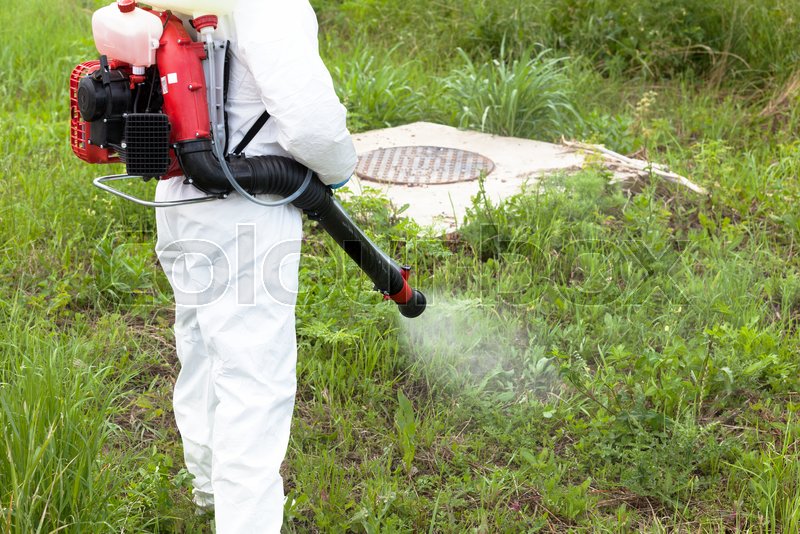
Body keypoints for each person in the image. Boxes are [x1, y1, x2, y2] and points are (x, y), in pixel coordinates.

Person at [153, 1, 357, 532]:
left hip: (177, 199)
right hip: (243, 209)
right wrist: (339, 168)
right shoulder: (270, 5)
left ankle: (206, 487)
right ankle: (246, 522)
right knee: (254, 378)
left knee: (201, 347)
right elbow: (311, 125)